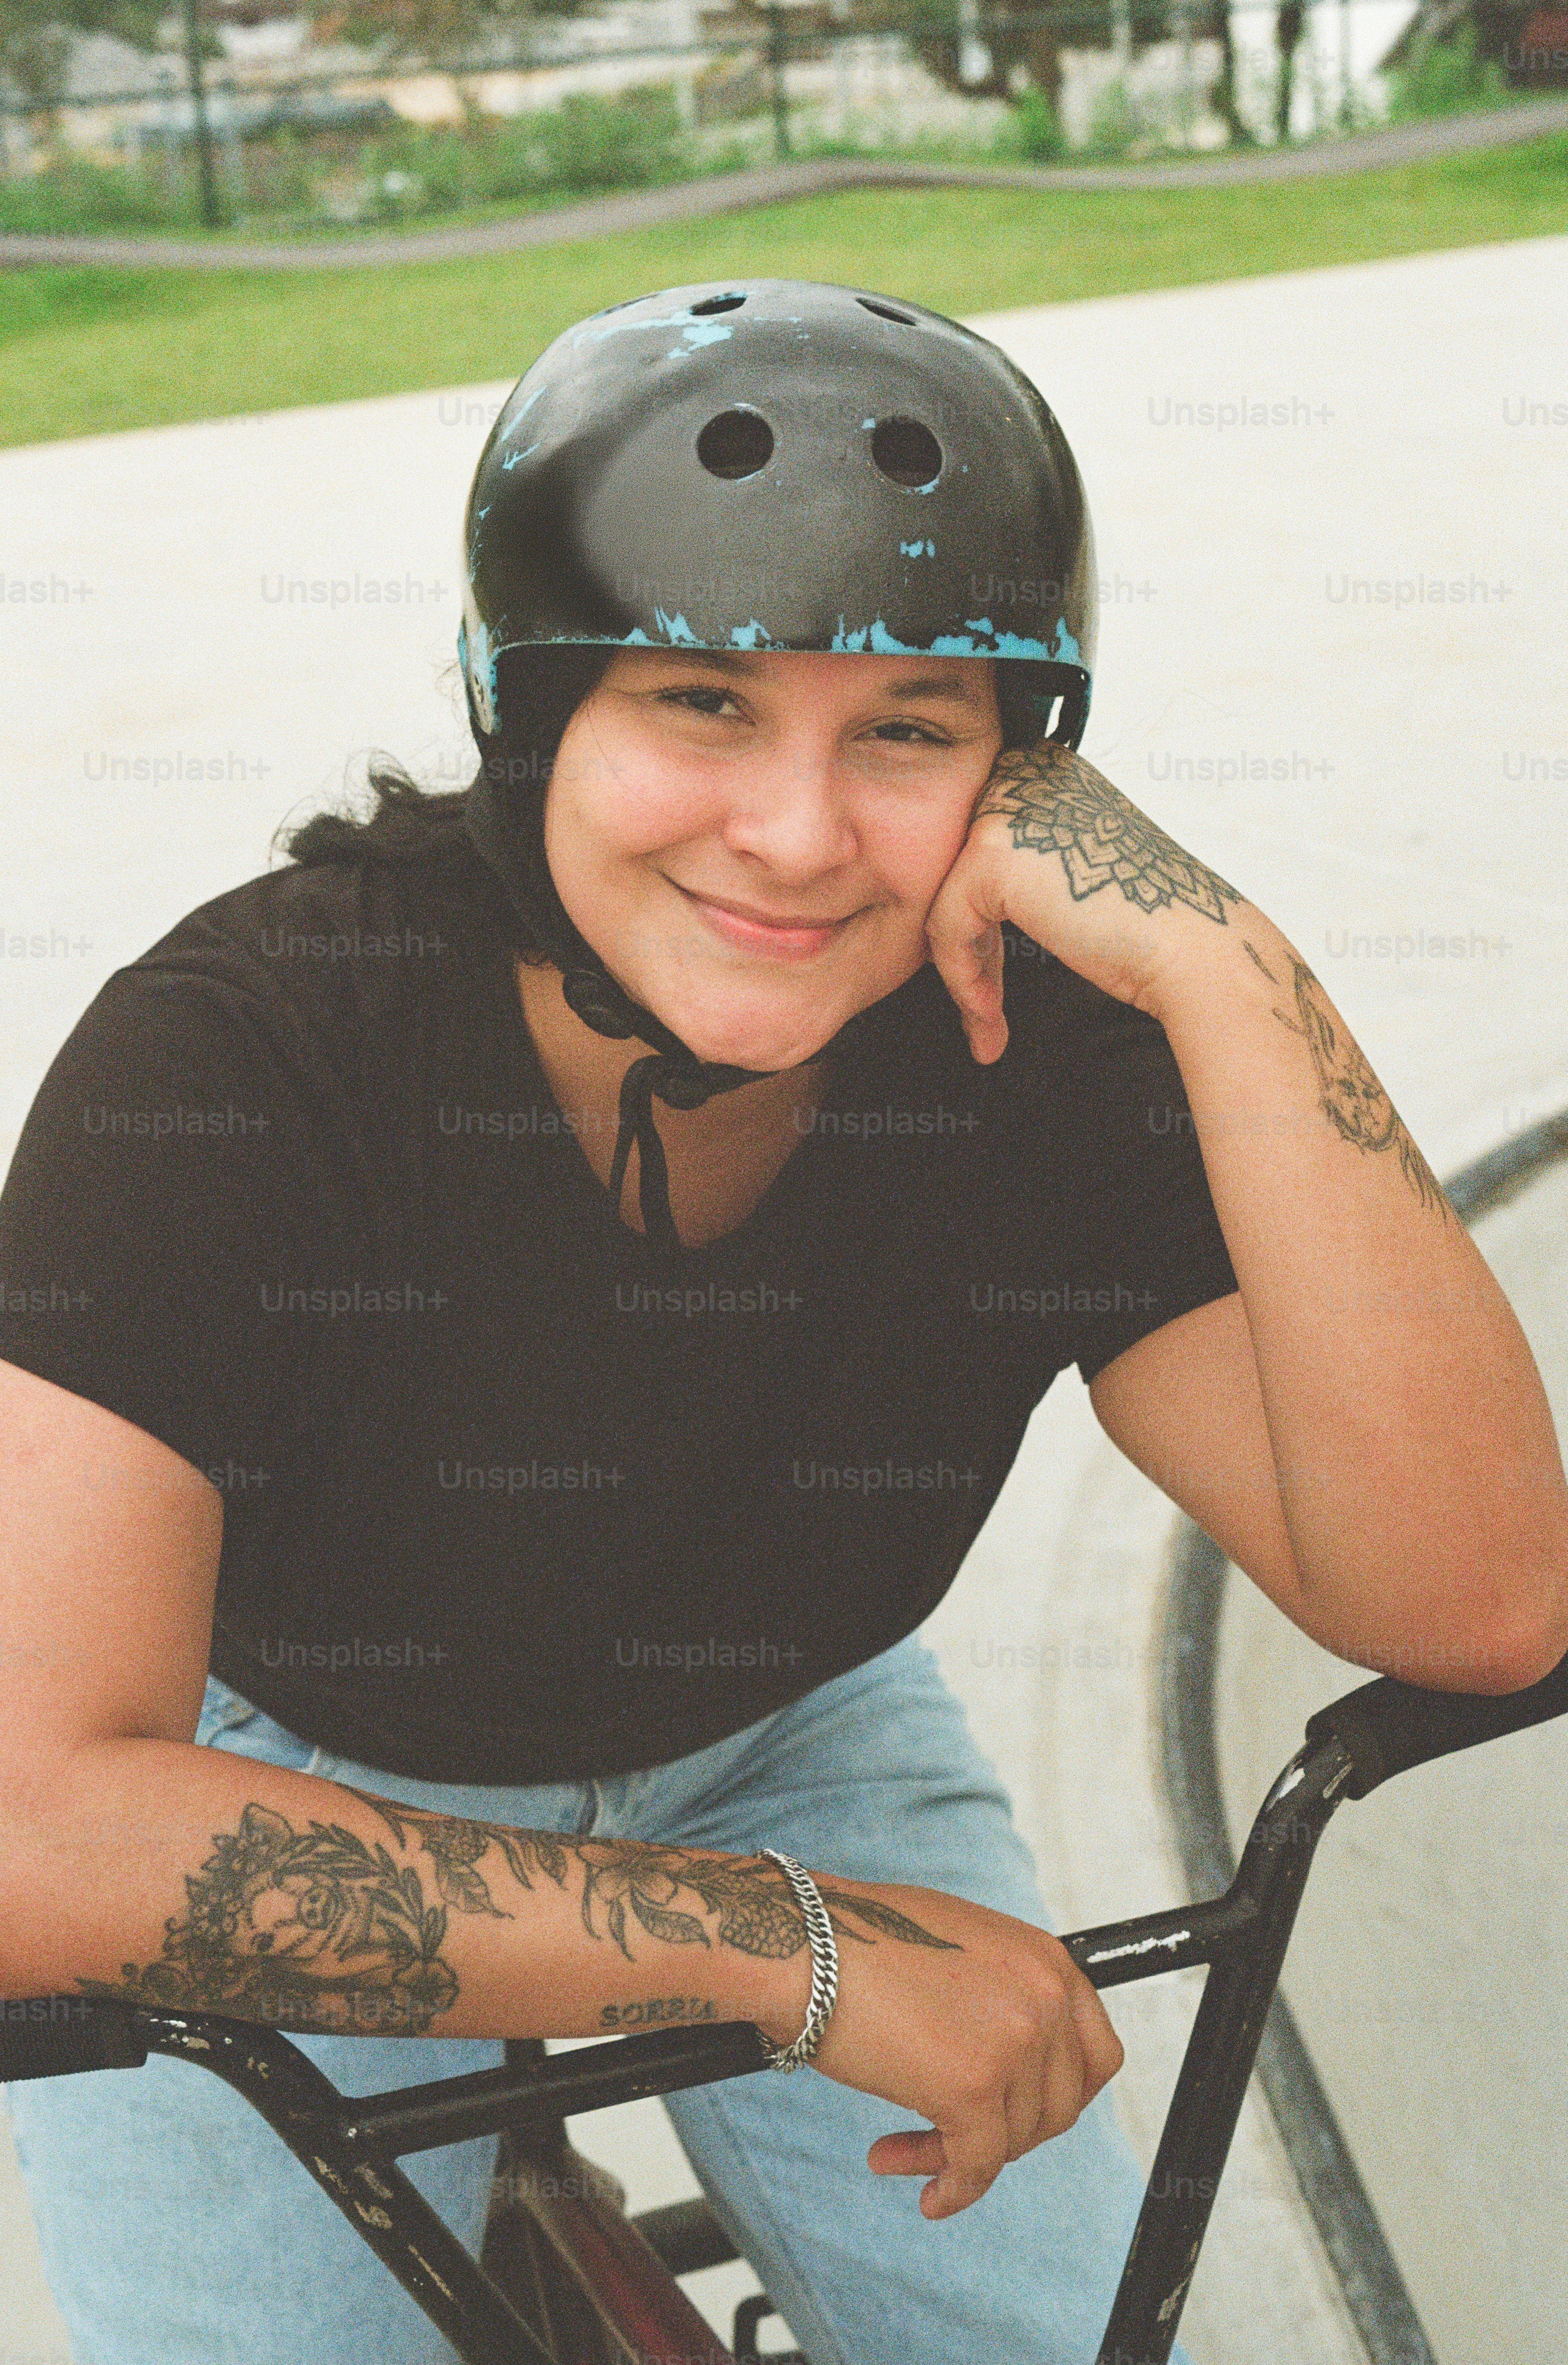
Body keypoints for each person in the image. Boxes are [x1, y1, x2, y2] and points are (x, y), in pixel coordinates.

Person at [1, 279, 1564, 2365]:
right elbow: (29, 1821)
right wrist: (782, 1950)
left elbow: (1472, 1598)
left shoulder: (1032, 1043)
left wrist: (1222, 968)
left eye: (909, 729)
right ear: (527, 714)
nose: (802, 835)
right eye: (700, 706)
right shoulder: (243, 1062)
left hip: (789, 1726)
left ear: (1028, 776)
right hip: (287, 1770)